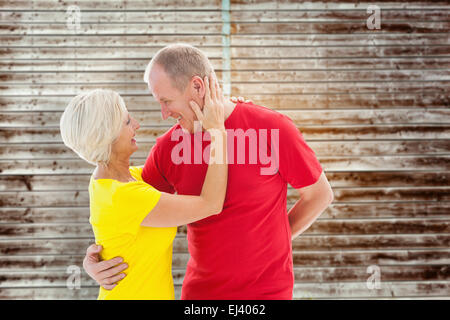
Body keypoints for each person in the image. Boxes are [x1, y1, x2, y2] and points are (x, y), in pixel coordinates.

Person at [84, 44, 334, 300]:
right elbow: (128, 210)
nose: (164, 114)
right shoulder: (168, 148)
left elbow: (319, 195)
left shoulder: (271, 128)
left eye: (167, 101)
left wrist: (274, 242)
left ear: (197, 87)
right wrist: (94, 260)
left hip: (268, 294)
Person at [60, 74, 228, 299]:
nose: (137, 125)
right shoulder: (126, 195)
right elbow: (211, 204)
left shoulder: (120, 179)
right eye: (128, 122)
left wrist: (228, 107)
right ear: (107, 137)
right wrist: (218, 132)